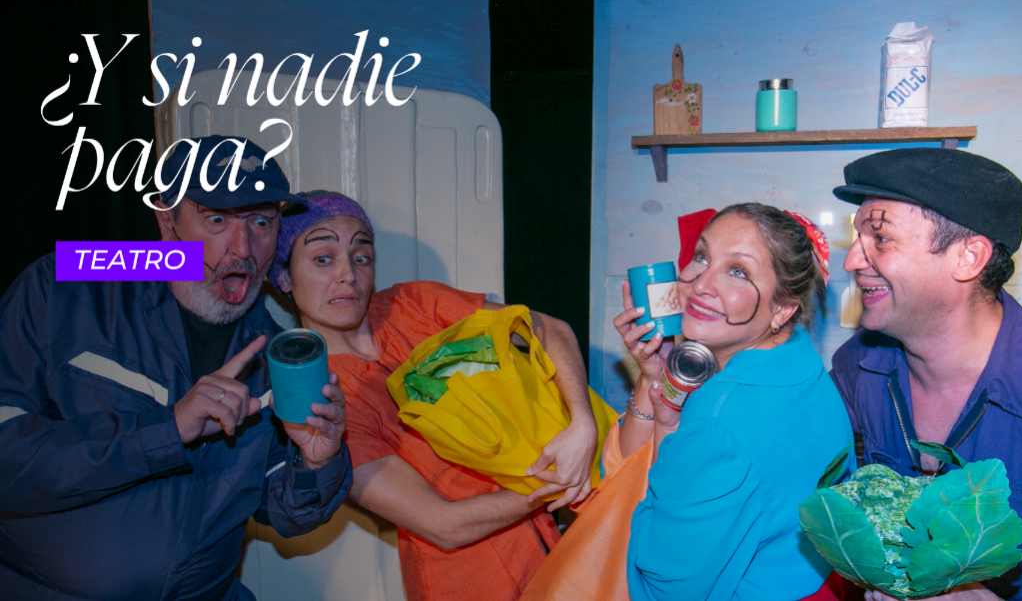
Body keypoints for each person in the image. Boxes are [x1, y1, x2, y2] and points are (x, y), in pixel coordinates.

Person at [0, 136, 352, 601]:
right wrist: (165, 431)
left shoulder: (273, 350)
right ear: (168, 222)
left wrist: (316, 462)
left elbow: (283, 511)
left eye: (261, 221)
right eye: (217, 219)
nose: (243, 248)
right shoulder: (66, 281)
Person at [829, 148, 1022, 601]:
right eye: (857, 238)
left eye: (880, 238)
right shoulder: (858, 366)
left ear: (969, 257)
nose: (852, 261)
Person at [267, 190, 599, 601]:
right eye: (322, 259)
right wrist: (557, 481)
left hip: (557, 556)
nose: (348, 274)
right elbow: (443, 524)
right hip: (466, 584)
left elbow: (547, 328)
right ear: (284, 278)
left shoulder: (414, 304)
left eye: (361, 256)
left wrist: (583, 425)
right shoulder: (323, 402)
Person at [612, 203, 853, 600]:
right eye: (702, 256)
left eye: (738, 271)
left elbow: (666, 588)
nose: (700, 284)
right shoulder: (801, 360)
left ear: (783, 309)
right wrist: (660, 385)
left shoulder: (717, 423)